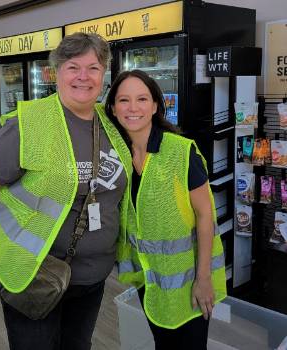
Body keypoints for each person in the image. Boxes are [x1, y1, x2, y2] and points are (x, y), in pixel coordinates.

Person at [0, 32, 132, 350]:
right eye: (73, 67)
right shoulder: (31, 123)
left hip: (92, 279)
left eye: (94, 68)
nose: (84, 76)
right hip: (35, 274)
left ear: (104, 74)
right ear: (56, 72)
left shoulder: (110, 123)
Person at [105, 69, 227, 349]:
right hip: (149, 279)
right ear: (113, 108)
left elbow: (205, 215)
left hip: (190, 279)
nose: (133, 108)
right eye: (123, 100)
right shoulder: (116, 155)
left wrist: (204, 278)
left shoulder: (181, 152)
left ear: (156, 105)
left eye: (142, 99)